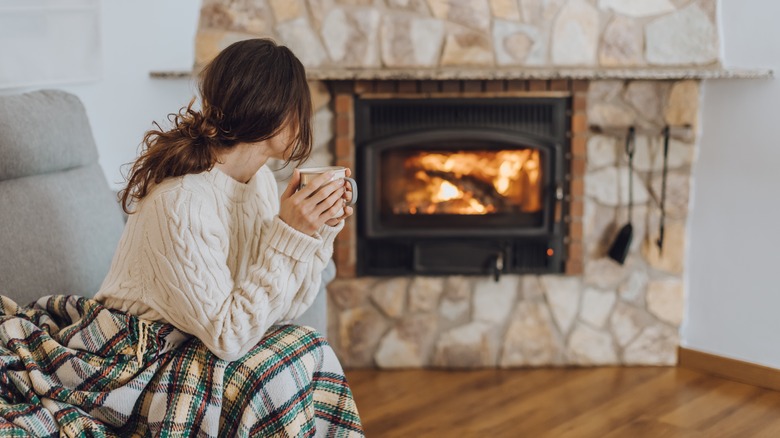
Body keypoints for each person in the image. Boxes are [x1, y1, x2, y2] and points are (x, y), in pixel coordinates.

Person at [95, 39, 353, 361]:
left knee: (306, 346)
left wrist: (317, 230)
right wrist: (290, 235)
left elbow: (288, 309)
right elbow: (228, 338)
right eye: (300, 106)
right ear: (271, 109)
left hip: (194, 340)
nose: (306, 119)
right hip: (135, 349)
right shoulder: (182, 203)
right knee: (291, 362)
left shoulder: (258, 182)